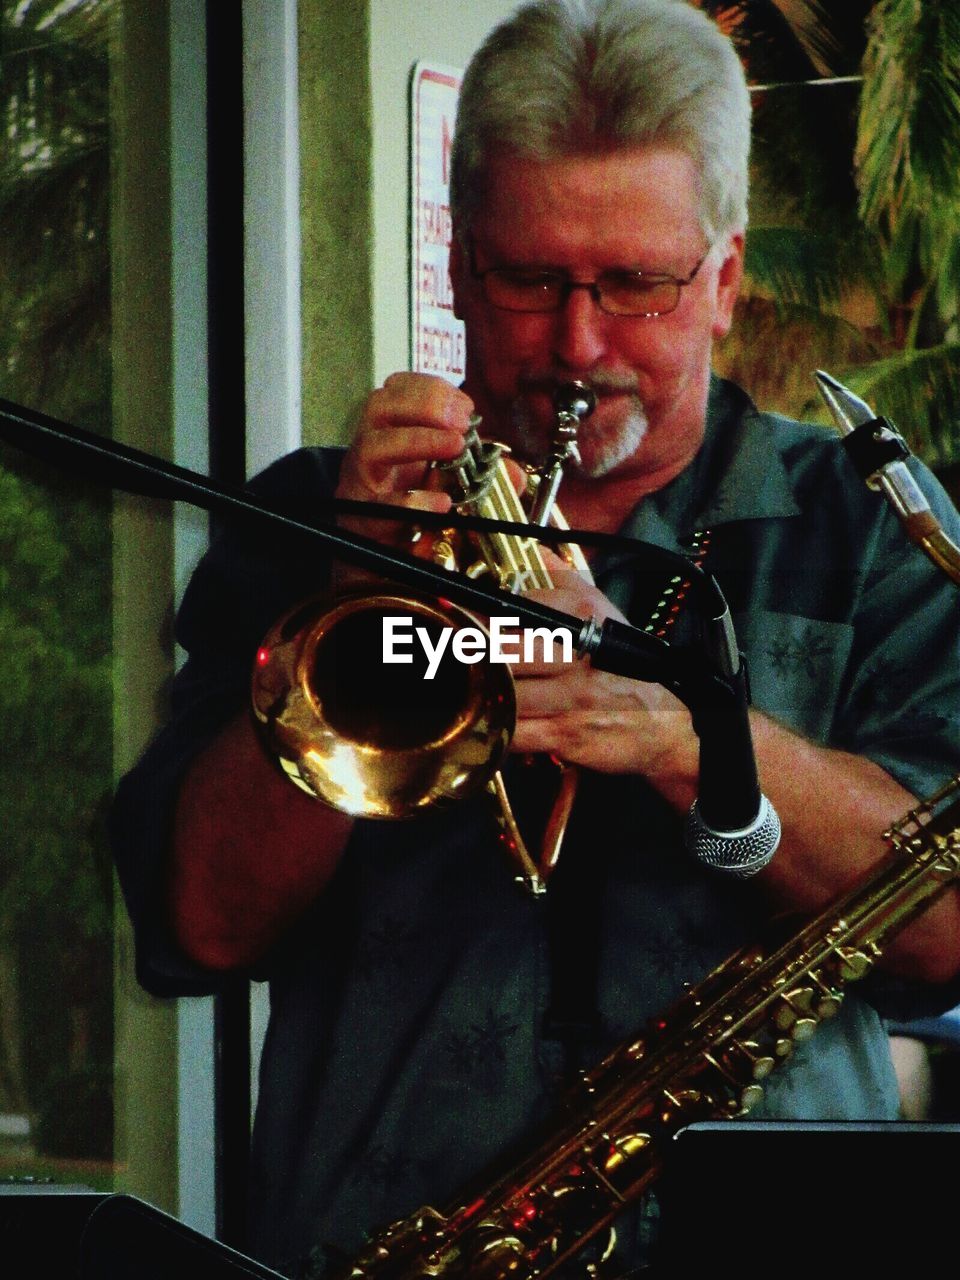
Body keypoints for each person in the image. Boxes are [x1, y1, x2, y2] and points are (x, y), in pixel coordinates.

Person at [111, 1, 960, 1275]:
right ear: (458, 267)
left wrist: (686, 735)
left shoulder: (872, 527)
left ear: (724, 282)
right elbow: (201, 923)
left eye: (635, 284)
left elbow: (945, 933)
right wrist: (349, 586)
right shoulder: (309, 515)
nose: (577, 342)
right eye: (529, 280)